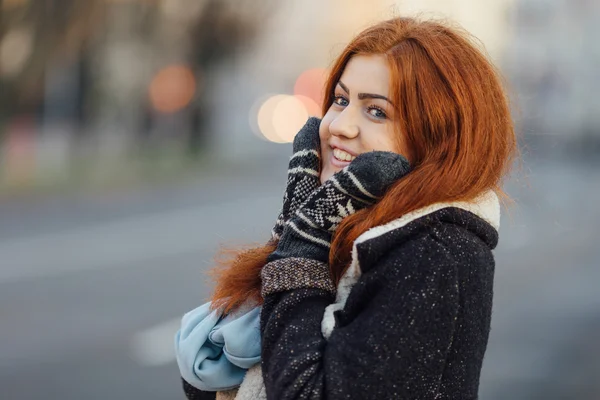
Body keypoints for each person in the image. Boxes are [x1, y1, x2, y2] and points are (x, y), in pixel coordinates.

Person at [175, 15, 516, 400]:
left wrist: (304, 243)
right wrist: (297, 223)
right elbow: (211, 375)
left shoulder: (435, 253)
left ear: (436, 138)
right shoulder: (359, 227)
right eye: (341, 100)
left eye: (376, 111)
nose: (339, 125)